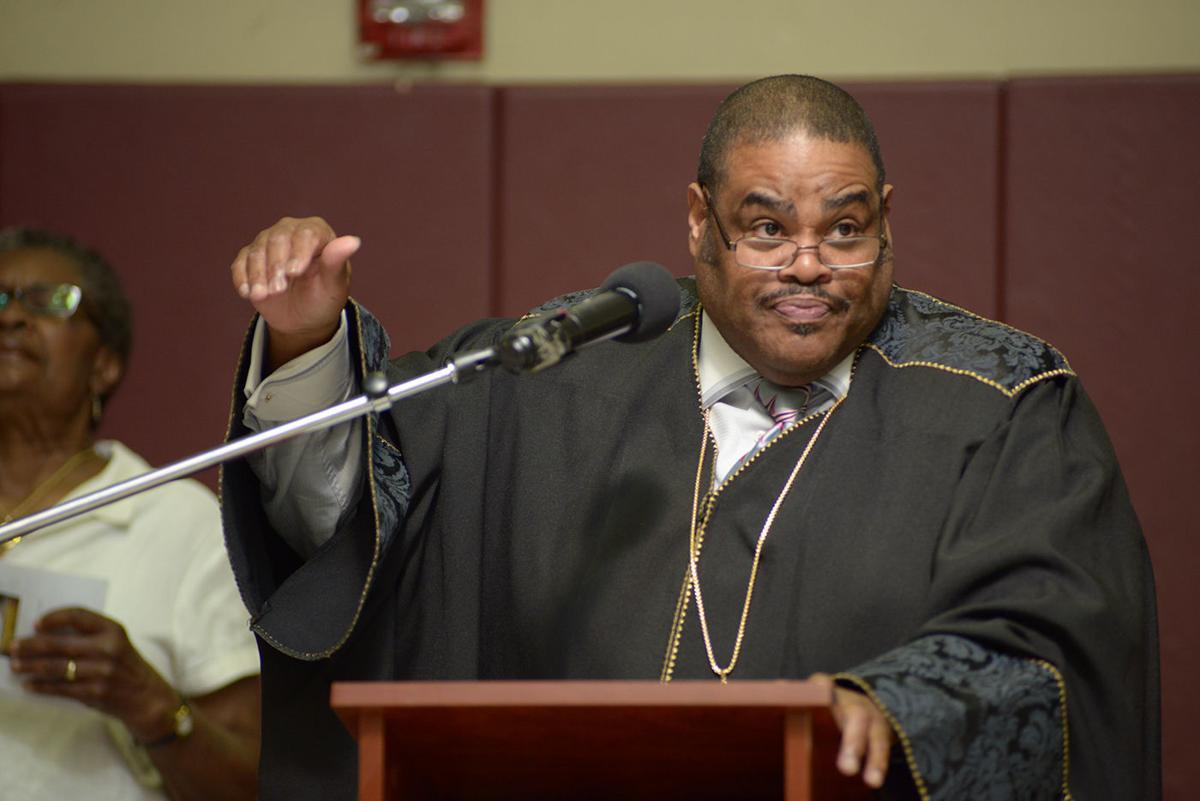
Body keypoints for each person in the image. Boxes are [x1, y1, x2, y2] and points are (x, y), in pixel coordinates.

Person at [223, 75, 1159, 801]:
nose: (808, 264)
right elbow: (349, 532)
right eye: (765, 226)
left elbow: (1063, 634)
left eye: (846, 228)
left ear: (887, 218)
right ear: (698, 222)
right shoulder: (547, 377)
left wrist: (906, 704)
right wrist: (307, 342)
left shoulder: (1001, 401)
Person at [0, 228, 262, 801]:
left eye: (48, 301)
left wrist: (149, 704)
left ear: (105, 366)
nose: (11, 317)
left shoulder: (180, 525)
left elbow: (250, 785)